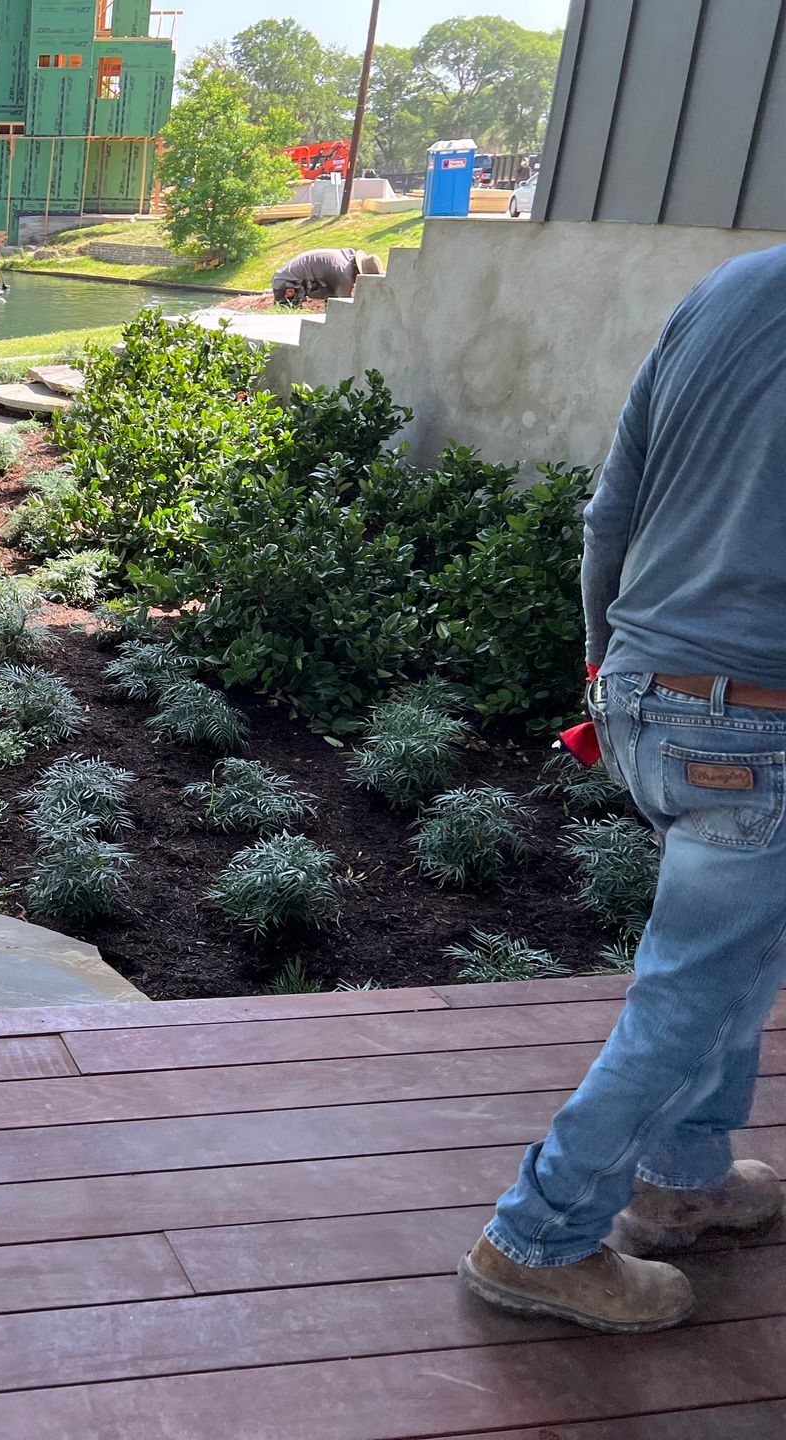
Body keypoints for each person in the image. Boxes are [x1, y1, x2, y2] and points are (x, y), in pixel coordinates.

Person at [460, 244, 786, 1333]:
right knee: (694, 985)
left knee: (724, 953)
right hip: (763, 718)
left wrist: (608, 675)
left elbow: (611, 511)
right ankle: (538, 1237)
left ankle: (683, 1180)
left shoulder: (734, 286)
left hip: (647, 693)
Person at [270, 248, 380, 305]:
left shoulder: (347, 255)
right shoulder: (344, 273)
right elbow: (341, 305)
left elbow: (332, 299)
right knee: (289, 320)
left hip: (286, 278)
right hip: (288, 284)